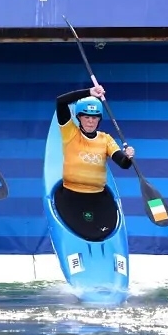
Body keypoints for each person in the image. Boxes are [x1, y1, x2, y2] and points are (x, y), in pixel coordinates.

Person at [54, 84, 134, 241]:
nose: (90, 122)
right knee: (81, 235)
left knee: (101, 234)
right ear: (79, 118)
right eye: (86, 117)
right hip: (71, 195)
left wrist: (128, 157)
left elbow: (123, 163)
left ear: (99, 119)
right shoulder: (70, 132)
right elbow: (60, 102)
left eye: (94, 117)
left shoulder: (106, 139)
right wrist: (89, 92)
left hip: (98, 197)